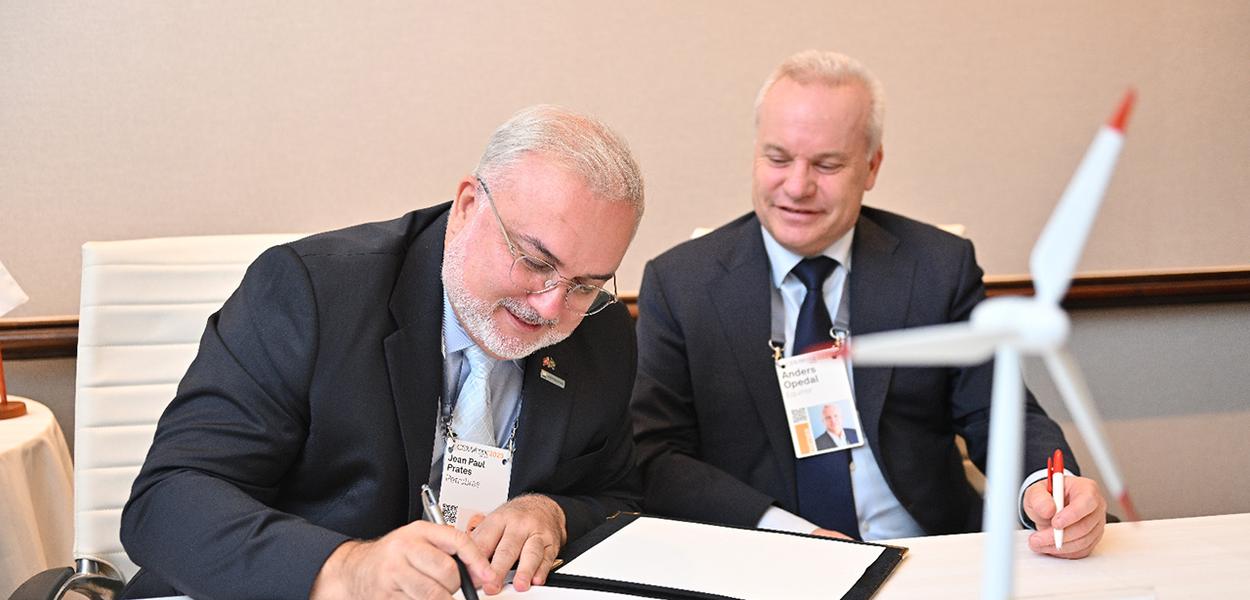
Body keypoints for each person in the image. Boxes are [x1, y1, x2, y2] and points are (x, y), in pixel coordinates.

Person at [120, 105, 647, 600]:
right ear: (468, 206)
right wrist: (347, 568)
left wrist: (552, 512)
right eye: (534, 261)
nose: (552, 307)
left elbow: (619, 495)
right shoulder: (312, 292)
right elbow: (168, 502)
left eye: (585, 284)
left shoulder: (600, 333)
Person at [631, 50, 1107, 558]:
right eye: (777, 158)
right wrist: (789, 533)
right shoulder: (681, 283)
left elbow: (996, 411)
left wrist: (1044, 488)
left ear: (873, 165)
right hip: (763, 557)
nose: (797, 186)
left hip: (928, 555)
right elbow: (656, 454)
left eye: (827, 164)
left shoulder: (937, 267)